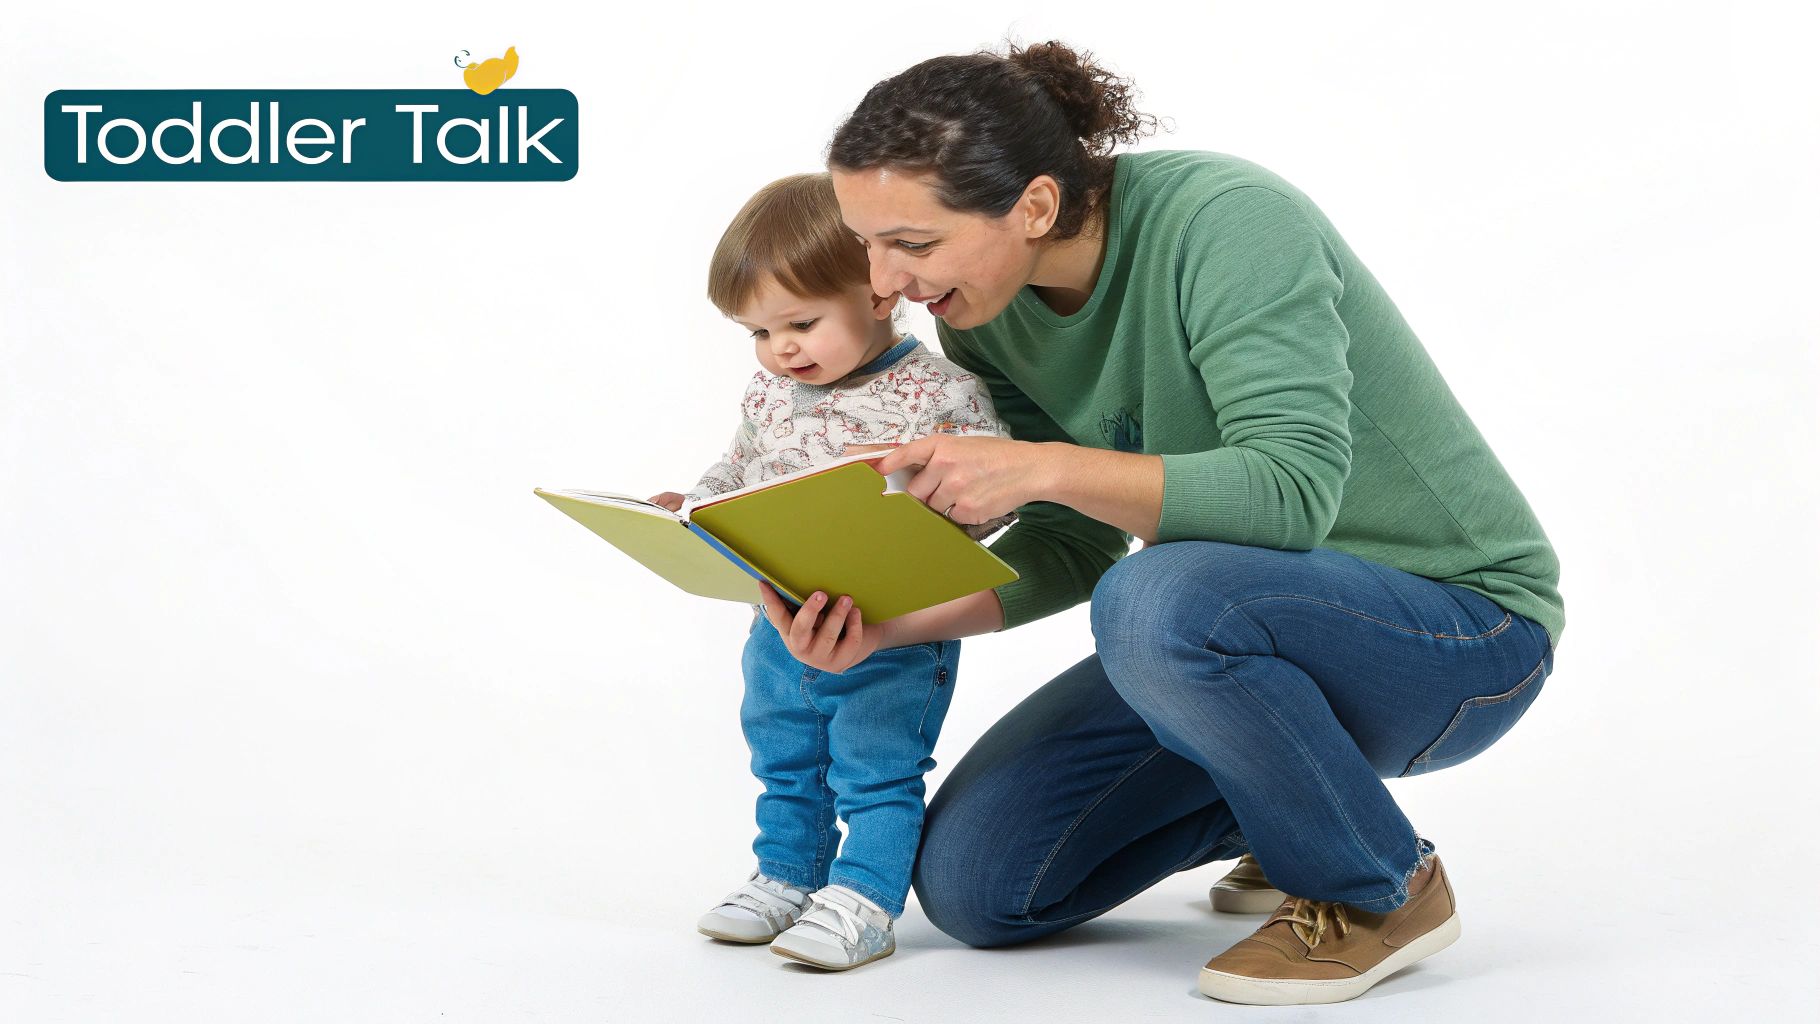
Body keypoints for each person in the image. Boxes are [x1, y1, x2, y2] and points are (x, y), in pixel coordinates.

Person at [755, 41, 1565, 1004]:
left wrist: (1041, 465)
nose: (884, 283)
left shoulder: (1230, 222)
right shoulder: (985, 314)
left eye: (914, 245)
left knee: (1151, 596)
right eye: (867, 244)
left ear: (1036, 206)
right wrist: (888, 627)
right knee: (981, 887)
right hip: (1233, 634)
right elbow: (1073, 541)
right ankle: (1282, 810)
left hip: (1460, 637)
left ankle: (1375, 889)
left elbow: (1292, 491)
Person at [647, 172, 1011, 971]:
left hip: (891, 625)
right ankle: (787, 874)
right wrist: (694, 504)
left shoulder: (941, 393)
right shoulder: (770, 393)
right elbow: (739, 466)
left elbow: (992, 502)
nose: (780, 349)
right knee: (784, 756)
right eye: (757, 331)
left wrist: (927, 493)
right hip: (779, 621)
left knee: (875, 766)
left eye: (802, 323)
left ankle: (865, 900)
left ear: (880, 293)